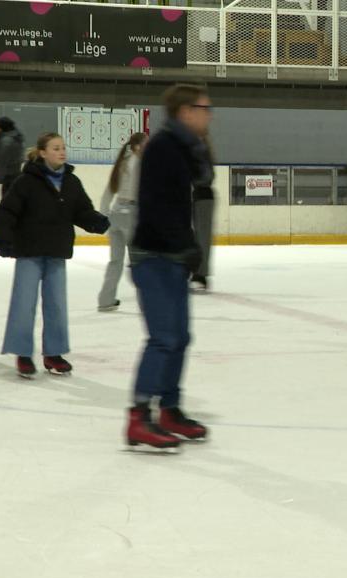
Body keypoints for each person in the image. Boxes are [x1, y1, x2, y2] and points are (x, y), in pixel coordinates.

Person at [126, 84, 214, 450]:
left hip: (173, 255)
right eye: (204, 109)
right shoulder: (163, 147)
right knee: (163, 338)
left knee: (179, 336)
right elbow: (156, 207)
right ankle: (138, 417)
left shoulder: (185, 147)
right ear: (185, 111)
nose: (210, 116)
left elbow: (196, 190)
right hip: (154, 256)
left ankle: (169, 409)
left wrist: (187, 247)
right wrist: (185, 244)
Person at [0, 133, 110, 378]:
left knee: (56, 304)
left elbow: (81, 211)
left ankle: (53, 353)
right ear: (43, 152)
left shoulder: (71, 182)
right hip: (29, 252)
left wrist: (97, 222)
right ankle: (23, 354)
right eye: (55, 148)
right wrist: (3, 240)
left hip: (57, 251)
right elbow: (7, 211)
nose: (61, 151)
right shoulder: (26, 181)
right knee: (24, 304)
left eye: (63, 147)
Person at [98, 132, 148, 311]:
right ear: (137, 147)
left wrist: (104, 217)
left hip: (115, 215)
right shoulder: (141, 164)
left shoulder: (122, 163)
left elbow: (108, 193)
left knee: (115, 261)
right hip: (131, 215)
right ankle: (147, 302)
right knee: (139, 261)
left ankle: (105, 300)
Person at [190, 138, 216, 293]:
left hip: (204, 196)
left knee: (202, 237)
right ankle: (198, 273)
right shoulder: (200, 154)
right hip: (199, 196)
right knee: (198, 237)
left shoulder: (202, 154)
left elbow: (206, 177)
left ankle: (201, 275)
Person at [0, 117, 25, 197]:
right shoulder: (14, 138)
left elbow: (2, 162)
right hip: (14, 176)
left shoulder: (6, 142)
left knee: (8, 201)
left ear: (1, 128)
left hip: (9, 179)